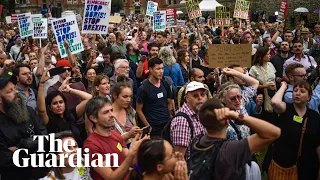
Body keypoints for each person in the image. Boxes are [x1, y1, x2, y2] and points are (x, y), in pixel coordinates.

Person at [189, 98, 280, 180]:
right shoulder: (232, 149)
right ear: (227, 122)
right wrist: (237, 116)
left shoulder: (196, 142)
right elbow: (274, 133)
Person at [84, 96, 147, 180]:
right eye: (106, 112)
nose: (112, 115)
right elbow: (111, 177)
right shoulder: (91, 146)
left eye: (111, 110)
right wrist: (132, 152)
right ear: (93, 118)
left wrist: (142, 148)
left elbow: (131, 162)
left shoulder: (115, 134)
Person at [0, 70, 49, 179]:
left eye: (14, 88)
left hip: (41, 172)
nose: (16, 92)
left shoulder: (29, 111)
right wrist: (33, 150)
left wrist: (20, 147)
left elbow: (44, 137)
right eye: (10, 91)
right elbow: (5, 159)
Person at [270, 81, 320, 179]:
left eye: (302, 91)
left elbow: (318, 143)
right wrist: (284, 86)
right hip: (284, 165)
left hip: (308, 166)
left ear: (309, 97)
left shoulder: (315, 116)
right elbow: (274, 102)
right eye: (295, 90)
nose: (297, 93)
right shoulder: (285, 109)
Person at [136, 58, 174, 137]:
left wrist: (170, 117)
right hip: (154, 127)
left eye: (162, 68)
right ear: (150, 69)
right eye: (158, 69)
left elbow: (170, 101)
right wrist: (148, 126)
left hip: (166, 124)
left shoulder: (165, 84)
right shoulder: (143, 88)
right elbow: (139, 110)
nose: (161, 71)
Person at [170, 81, 207, 159]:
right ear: (187, 99)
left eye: (202, 95)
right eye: (195, 96)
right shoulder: (182, 121)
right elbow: (179, 158)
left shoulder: (199, 113)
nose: (200, 98)